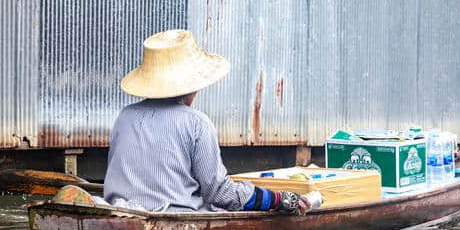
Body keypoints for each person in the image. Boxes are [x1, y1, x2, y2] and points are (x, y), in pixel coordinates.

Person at [104, 29, 311, 214]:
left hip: (119, 211)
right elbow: (219, 193)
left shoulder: (125, 116)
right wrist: (277, 199)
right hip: (175, 216)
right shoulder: (196, 123)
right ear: (192, 87)